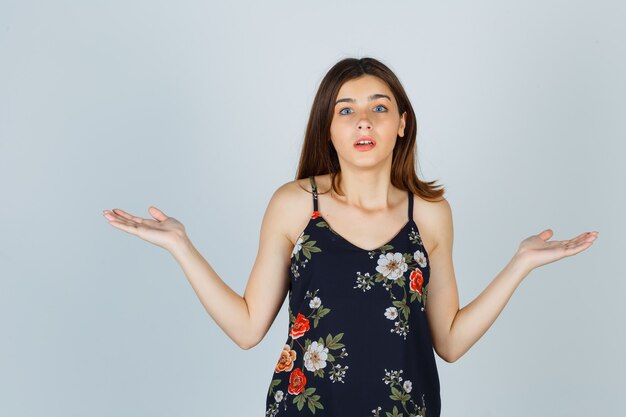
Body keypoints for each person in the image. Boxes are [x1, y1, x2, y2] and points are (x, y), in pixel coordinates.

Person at [102, 57, 599, 417]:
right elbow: (248, 326)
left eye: (379, 108)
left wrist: (520, 265)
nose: (364, 120)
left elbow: (448, 341)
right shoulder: (295, 205)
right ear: (329, 130)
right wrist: (180, 246)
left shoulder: (429, 214)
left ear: (402, 124)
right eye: (346, 110)